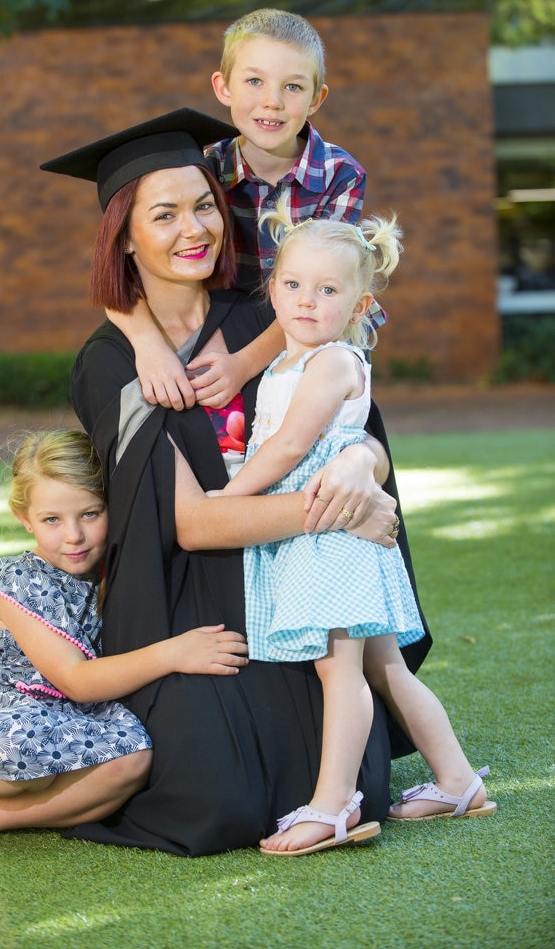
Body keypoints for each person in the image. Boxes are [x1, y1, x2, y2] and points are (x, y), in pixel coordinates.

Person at [38, 108, 431, 856]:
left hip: (290, 581)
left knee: (360, 782)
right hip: (189, 599)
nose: (195, 228)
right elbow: (192, 524)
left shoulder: (272, 312)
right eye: (164, 214)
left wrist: (359, 468)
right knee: (218, 802)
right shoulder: (111, 363)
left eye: (204, 206)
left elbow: (355, 426)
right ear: (124, 234)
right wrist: (340, 511)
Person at [212, 198, 496, 855]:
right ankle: (456, 779)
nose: (306, 301)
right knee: (385, 668)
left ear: (360, 305)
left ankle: (334, 805)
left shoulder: (333, 362)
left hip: (331, 533)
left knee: (339, 671)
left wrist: (228, 498)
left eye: (328, 290)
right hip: (319, 533)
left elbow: (286, 451)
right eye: (291, 285)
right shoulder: (287, 358)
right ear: (272, 287)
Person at [0, 429, 248, 842]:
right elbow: (76, 680)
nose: (74, 535)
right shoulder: (17, 580)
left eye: (90, 514)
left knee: (132, 759)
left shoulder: (110, 574)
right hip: (9, 720)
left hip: (71, 723)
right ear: (24, 518)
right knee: (22, 746)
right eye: (52, 519)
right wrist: (174, 653)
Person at [102, 8, 383, 414]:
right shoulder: (204, 169)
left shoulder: (339, 176)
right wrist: (147, 343)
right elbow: (118, 268)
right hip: (227, 327)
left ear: (317, 98)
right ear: (223, 87)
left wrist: (243, 365)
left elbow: (322, 294)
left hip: (317, 335)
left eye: (293, 87)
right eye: (254, 81)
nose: (272, 101)